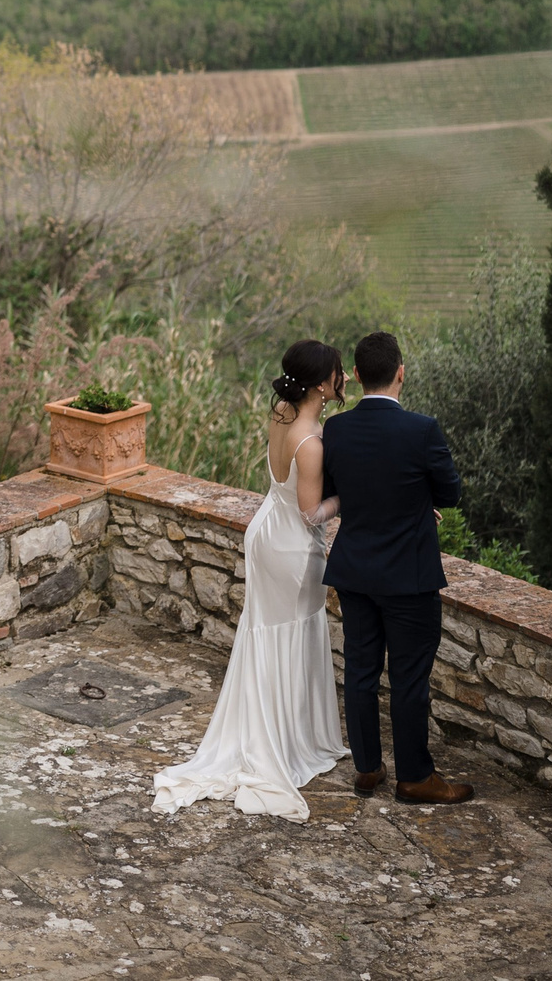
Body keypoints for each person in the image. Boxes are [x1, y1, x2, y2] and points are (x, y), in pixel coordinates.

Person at [150, 339, 349, 821]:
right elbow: (310, 513)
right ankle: (284, 741)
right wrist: (350, 498)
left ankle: (275, 732)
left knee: (267, 633)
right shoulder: (310, 440)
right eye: (338, 372)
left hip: (265, 531)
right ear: (323, 384)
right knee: (292, 631)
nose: (344, 378)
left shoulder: (281, 412)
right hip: (291, 547)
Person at [320, 330, 476, 805]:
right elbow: (448, 494)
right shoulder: (422, 429)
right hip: (409, 576)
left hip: (355, 570)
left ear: (360, 376)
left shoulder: (337, 429)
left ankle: (367, 769)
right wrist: (416, 502)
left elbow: (339, 487)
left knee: (361, 671)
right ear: (401, 373)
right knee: (409, 678)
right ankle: (414, 777)